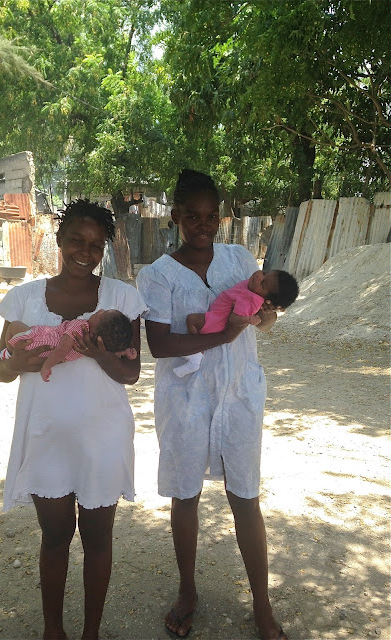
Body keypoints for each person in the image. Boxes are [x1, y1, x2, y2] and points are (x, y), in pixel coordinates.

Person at [136, 169, 288, 640]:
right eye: (192, 216)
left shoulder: (240, 259)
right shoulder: (157, 275)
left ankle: (261, 603)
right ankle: (187, 591)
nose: (202, 225)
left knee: (246, 497)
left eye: (210, 216)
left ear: (220, 217)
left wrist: (262, 320)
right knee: (186, 496)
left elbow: (266, 321)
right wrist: (222, 334)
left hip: (239, 394)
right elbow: (160, 345)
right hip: (185, 400)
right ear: (176, 216)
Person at [0, 199, 147, 640]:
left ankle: (90, 632)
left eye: (96, 245)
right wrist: (16, 363)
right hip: (46, 439)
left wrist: (99, 355)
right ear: (58, 239)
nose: (85, 252)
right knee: (55, 537)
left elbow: (131, 373)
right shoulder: (23, 298)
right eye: (76, 240)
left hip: (103, 440)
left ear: (105, 250)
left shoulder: (122, 297)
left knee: (98, 539)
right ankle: (52, 630)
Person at [173, 269, 299, 376]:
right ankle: (196, 354)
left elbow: (233, 319)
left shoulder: (250, 301)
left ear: (266, 299)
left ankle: (195, 355)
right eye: (264, 273)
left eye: (263, 283)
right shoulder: (252, 288)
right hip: (217, 314)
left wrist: (248, 319)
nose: (259, 276)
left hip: (217, 320)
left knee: (192, 320)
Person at [2, 309, 137, 382]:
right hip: (47, 353)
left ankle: (9, 352)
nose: (100, 310)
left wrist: (47, 366)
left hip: (39, 341)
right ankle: (10, 353)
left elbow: (62, 349)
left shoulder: (80, 326)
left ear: (94, 332)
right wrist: (124, 352)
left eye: (101, 314)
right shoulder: (95, 345)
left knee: (14, 326)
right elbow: (110, 349)